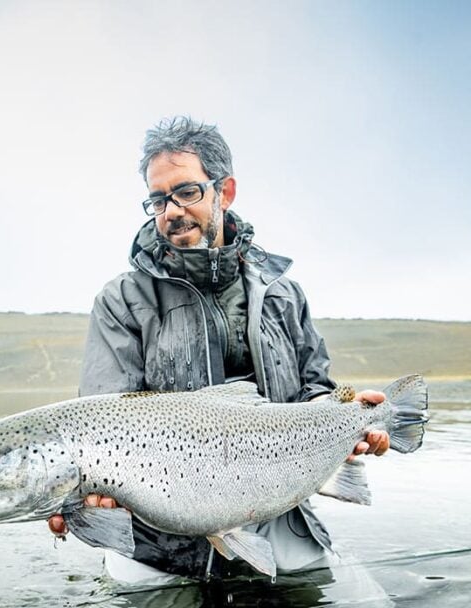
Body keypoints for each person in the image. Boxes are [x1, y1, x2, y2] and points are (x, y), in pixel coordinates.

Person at [48, 116, 389, 583]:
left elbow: (316, 389)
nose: (170, 210)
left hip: (279, 508)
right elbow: (105, 419)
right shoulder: (122, 300)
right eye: (157, 199)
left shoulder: (284, 294)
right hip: (160, 540)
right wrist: (85, 495)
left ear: (224, 192)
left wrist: (349, 418)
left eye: (186, 192)